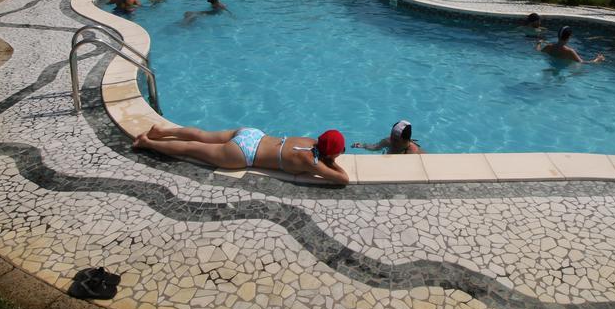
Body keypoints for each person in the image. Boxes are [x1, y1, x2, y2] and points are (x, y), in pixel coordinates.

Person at [133, 124, 349, 184]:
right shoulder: (311, 161)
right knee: (191, 148)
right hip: (243, 152)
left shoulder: (309, 142)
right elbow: (342, 179)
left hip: (252, 134)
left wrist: (327, 153)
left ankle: (162, 131)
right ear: (331, 153)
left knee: (201, 134)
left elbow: (321, 148)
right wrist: (332, 162)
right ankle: (148, 142)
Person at [537, 25, 604, 64]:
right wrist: (596, 60)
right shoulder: (570, 52)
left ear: (558, 35)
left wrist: (539, 43)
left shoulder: (549, 47)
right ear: (569, 37)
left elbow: (538, 51)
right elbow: (582, 63)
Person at [352, 119, 425, 154]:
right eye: (391, 137)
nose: (392, 141)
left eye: (396, 140)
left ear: (406, 140)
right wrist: (363, 145)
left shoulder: (412, 152)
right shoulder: (388, 141)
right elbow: (375, 147)